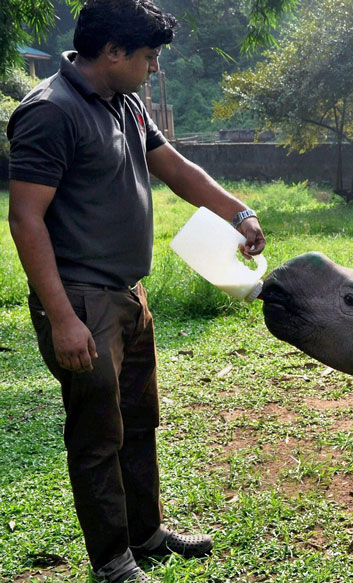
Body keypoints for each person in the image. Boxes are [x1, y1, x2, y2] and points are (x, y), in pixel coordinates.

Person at [6, 0, 266, 581]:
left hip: (127, 293)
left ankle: (146, 533)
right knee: (98, 434)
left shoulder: (123, 101)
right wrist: (62, 318)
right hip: (79, 300)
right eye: (147, 57)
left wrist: (238, 213)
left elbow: (175, 168)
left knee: (137, 420)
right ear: (113, 52)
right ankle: (112, 561)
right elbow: (25, 220)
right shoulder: (50, 112)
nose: (153, 68)